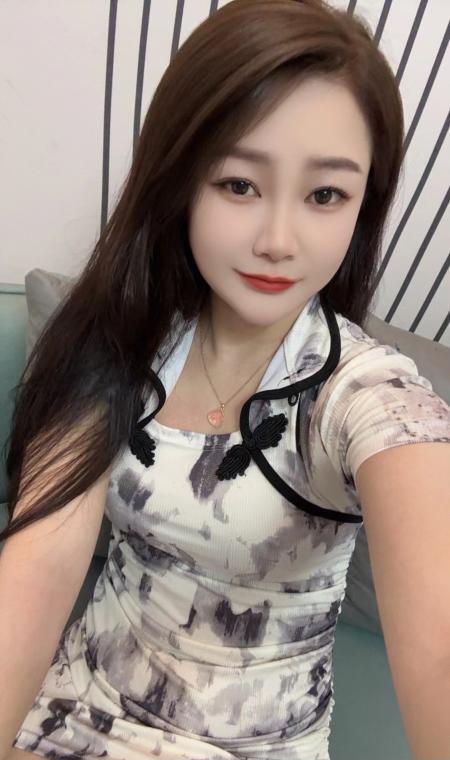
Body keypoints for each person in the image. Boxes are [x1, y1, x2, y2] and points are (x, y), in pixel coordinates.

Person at [1, 1, 449, 759]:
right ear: (180, 180)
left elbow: (439, 648)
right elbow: (38, 570)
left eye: (325, 195)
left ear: (361, 207)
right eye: (239, 184)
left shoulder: (367, 395)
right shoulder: (120, 338)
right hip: (75, 711)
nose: (278, 240)